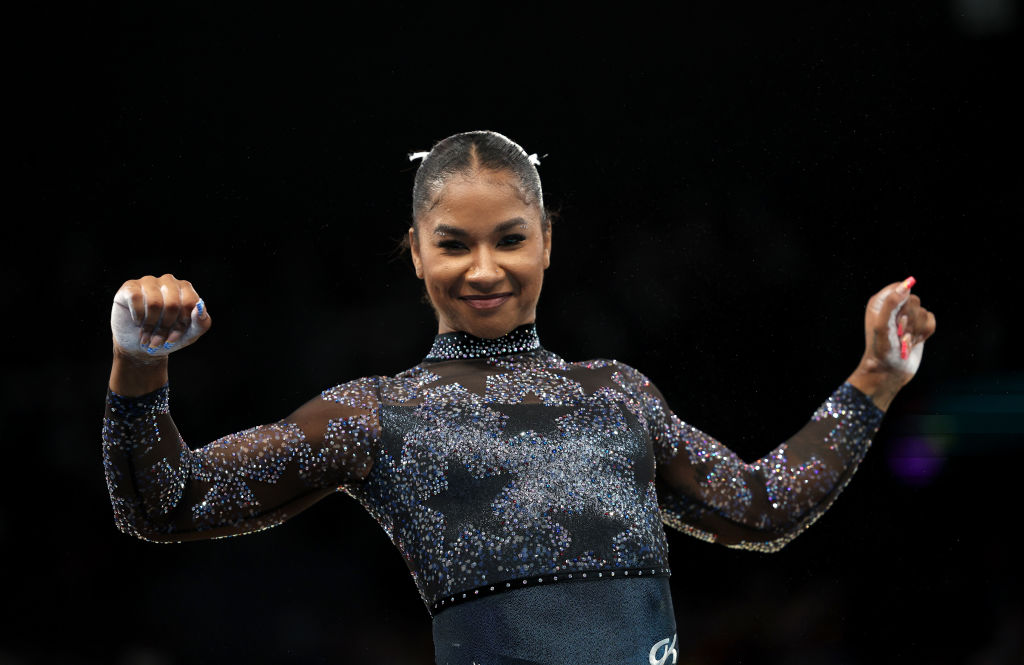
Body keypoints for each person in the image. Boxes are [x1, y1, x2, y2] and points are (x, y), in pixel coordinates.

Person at [102, 130, 936, 665]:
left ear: (547, 242)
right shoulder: (378, 414)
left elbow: (762, 507)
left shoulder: (618, 395)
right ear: (417, 255)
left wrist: (875, 379)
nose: (485, 269)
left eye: (510, 239)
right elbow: (166, 502)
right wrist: (139, 363)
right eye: (453, 244)